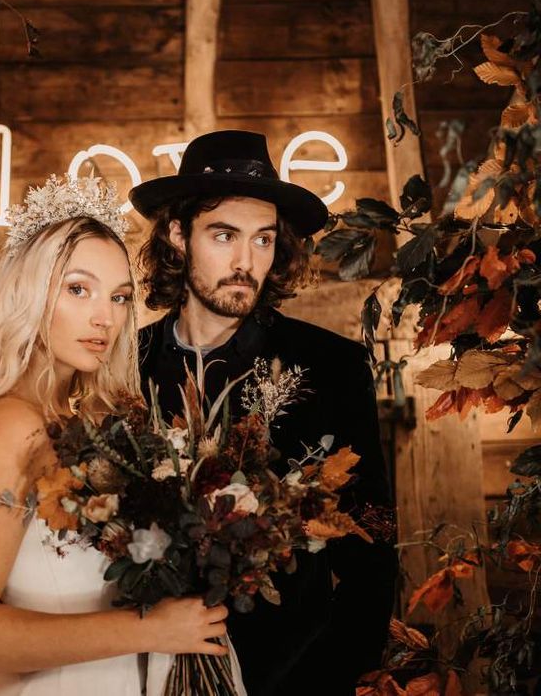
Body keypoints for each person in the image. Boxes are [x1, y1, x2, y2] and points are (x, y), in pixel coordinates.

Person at [0, 175, 244, 695]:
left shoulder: (89, 424)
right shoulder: (12, 425)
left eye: (119, 297)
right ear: (29, 293)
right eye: (77, 289)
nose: (105, 318)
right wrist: (152, 630)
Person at [131, 131, 398, 696]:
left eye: (263, 240)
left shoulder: (332, 365)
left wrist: (331, 676)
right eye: (223, 236)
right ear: (178, 236)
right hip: (133, 670)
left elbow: (371, 548)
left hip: (291, 675)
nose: (244, 262)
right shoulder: (124, 367)